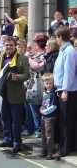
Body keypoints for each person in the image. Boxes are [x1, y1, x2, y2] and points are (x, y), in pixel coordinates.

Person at [0, 36, 29, 153]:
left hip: (16, 94)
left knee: (16, 120)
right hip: (2, 93)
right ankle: (7, 139)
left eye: (11, 45)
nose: (9, 47)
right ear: (4, 45)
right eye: (7, 45)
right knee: (5, 118)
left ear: (15, 46)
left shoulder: (22, 58)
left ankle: (17, 142)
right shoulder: (0, 58)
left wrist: (17, 77)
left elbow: (27, 74)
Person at [52, 26, 77, 159]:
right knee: (68, 119)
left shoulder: (69, 51)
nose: (55, 39)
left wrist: (65, 90)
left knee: (65, 120)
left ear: (61, 37)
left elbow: (69, 73)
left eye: (56, 36)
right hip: (63, 88)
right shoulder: (64, 50)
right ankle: (71, 145)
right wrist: (59, 89)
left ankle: (63, 149)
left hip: (69, 90)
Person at [23, 35, 48, 138]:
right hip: (28, 84)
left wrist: (29, 57)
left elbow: (37, 67)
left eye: (35, 42)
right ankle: (29, 128)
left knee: (35, 108)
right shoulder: (35, 53)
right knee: (28, 109)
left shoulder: (44, 55)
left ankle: (38, 130)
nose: (34, 44)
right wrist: (28, 52)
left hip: (36, 85)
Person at [39, 73, 58, 160]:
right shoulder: (45, 93)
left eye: (50, 83)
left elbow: (54, 106)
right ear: (43, 84)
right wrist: (41, 108)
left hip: (50, 117)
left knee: (49, 135)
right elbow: (44, 103)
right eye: (47, 83)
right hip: (44, 116)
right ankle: (44, 150)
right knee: (43, 134)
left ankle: (51, 152)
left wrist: (45, 112)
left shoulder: (53, 94)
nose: (49, 85)